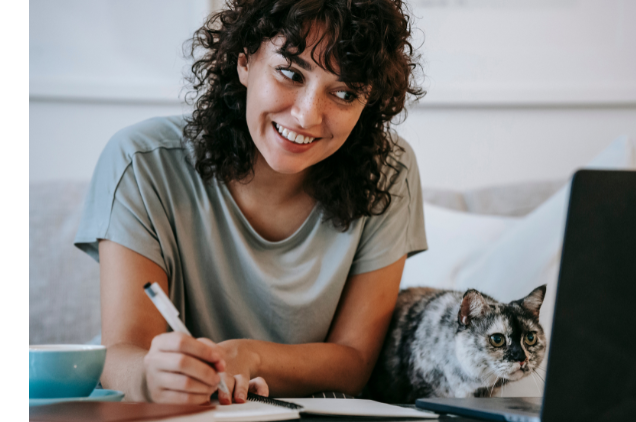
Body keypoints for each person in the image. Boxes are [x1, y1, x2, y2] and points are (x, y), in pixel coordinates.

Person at [74, 0, 426, 405]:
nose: (307, 115)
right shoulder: (140, 163)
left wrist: (251, 356)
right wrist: (151, 377)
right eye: (290, 73)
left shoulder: (389, 171)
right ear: (244, 61)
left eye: (344, 93)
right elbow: (122, 354)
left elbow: (354, 362)